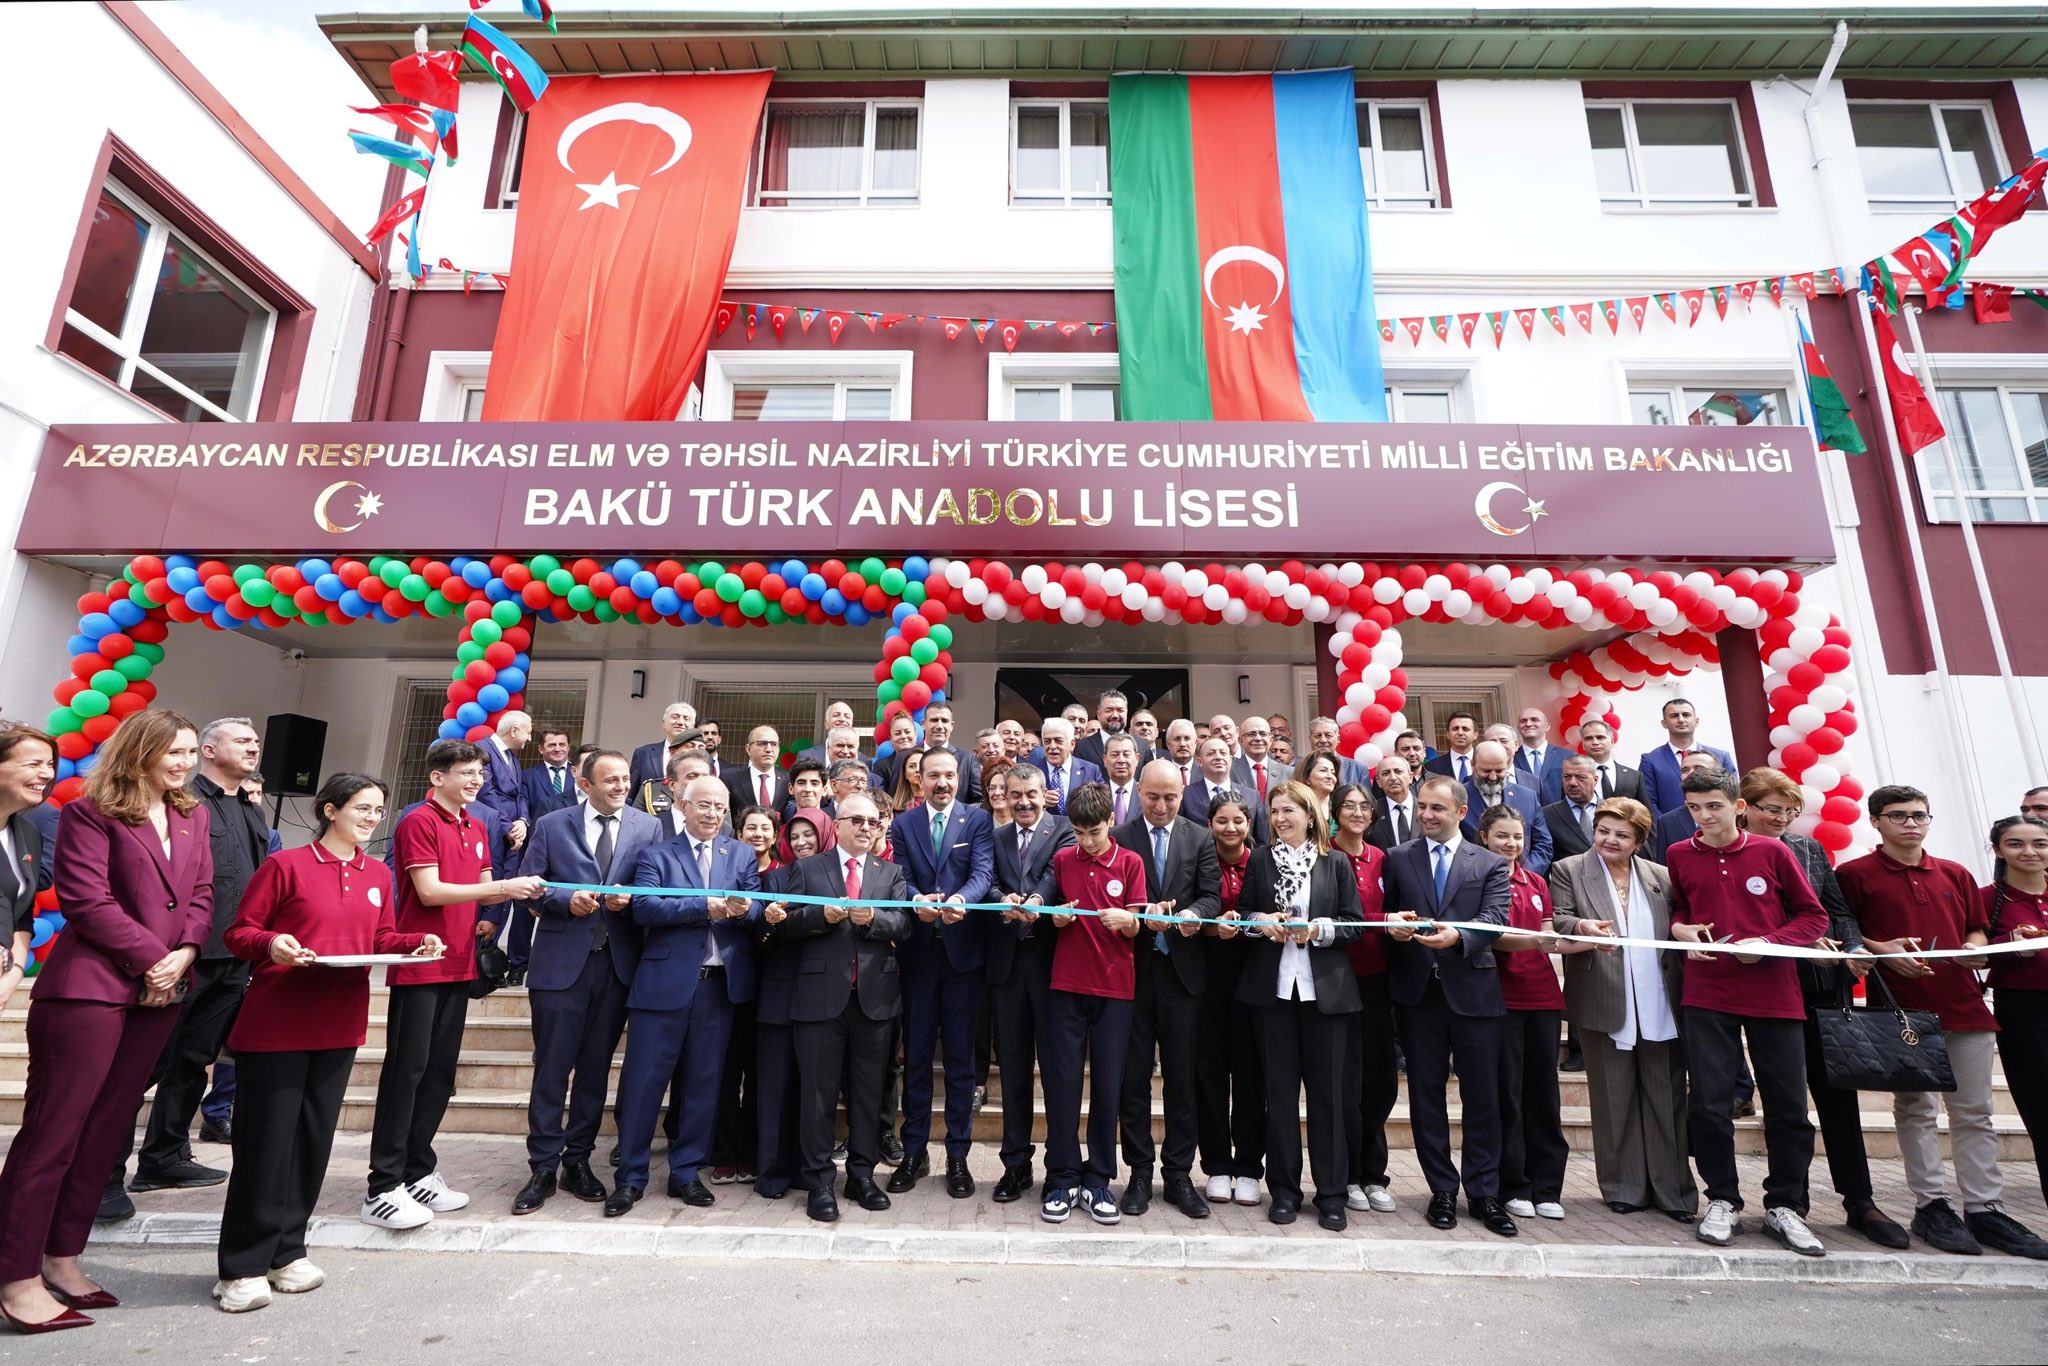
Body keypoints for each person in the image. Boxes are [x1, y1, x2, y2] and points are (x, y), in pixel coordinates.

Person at [0, 710, 211, 1334]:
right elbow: (86, 900)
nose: (184, 762)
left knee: (105, 1133)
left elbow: (200, 895)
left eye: (192, 751)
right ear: (139, 750)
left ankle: (62, 1260)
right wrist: (153, 960)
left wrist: (186, 954)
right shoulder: (91, 813)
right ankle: (15, 1276)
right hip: (89, 991)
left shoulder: (191, 816)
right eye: (173, 750)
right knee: (53, 1135)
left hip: (160, 992)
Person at [211, 775, 444, 1313]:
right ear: (329, 810)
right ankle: (242, 1266)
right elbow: (240, 932)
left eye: (378, 811)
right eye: (362, 808)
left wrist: (416, 943)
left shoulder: (377, 873)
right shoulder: (286, 866)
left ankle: (288, 1251)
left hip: (340, 1023)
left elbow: (380, 939)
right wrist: (275, 944)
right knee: (265, 1146)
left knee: (313, 1144)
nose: (371, 818)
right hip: (277, 1024)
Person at [1837, 786, 2048, 1260]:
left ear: (1929, 820)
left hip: (1966, 1005)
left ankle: (1985, 1209)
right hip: (1902, 1012)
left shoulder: (1955, 872)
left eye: (1918, 816)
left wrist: (1974, 948)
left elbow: (1976, 927)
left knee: (1974, 1113)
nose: (1910, 824)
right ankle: (1932, 1205)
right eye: (1898, 816)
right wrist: (1883, 951)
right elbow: (1845, 932)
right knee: (1916, 1110)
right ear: (1875, 821)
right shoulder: (1854, 874)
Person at [364, 739, 542, 1231]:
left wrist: (497, 900)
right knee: (408, 1071)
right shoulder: (418, 820)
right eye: (465, 772)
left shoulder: (476, 822)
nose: (476, 780)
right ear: (437, 776)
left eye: (479, 773)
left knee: (440, 1073)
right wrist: (504, 889)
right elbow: (430, 890)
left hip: (460, 962)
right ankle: (383, 1185)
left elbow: (483, 875)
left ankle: (418, 1170)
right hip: (421, 962)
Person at [108, 716, 270, 1216]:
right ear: (206, 749)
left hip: (233, 958)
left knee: (192, 1062)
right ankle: (104, 1172)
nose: (253, 748)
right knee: (141, 1065)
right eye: (242, 741)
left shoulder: (250, 807)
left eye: (256, 742)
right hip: (181, 956)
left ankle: (165, 1157)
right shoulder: (185, 801)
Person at [1664, 767, 1829, 1255]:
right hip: (1707, 991)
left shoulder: (1772, 850)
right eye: (1694, 807)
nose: (1704, 816)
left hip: (1774, 992)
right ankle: (1723, 1199)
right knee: (1711, 1103)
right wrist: (1681, 931)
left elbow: (1812, 917)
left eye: (1714, 805)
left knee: (1787, 1106)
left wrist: (1769, 944)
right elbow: (1681, 907)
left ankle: (1786, 1206)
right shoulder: (1678, 854)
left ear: (1738, 806)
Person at [1735, 768, 1901, 1247]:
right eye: (1773, 809)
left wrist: (1852, 949)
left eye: (1790, 811)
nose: (1783, 818)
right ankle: (1791, 1202)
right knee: (1786, 1103)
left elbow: (1837, 911)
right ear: (1745, 807)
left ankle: (1860, 1201)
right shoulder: (1732, 851)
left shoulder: (1808, 849)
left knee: (1837, 1097)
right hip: (1765, 986)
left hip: (1821, 987)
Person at [511, 751, 660, 1216]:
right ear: (584, 782)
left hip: (616, 966)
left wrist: (629, 902)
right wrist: (562, 899)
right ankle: (542, 1166)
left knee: (595, 1071)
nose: (620, 785)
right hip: (560, 965)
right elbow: (527, 885)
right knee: (552, 1069)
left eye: (625, 779)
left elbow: (654, 888)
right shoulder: (553, 824)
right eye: (610, 779)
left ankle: (578, 1160)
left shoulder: (647, 827)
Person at [606, 777, 760, 1216]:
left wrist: (743, 909)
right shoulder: (656, 854)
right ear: (683, 805)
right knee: (642, 1086)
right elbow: (645, 908)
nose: (712, 814)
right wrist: (705, 906)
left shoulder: (741, 854)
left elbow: (752, 908)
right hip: (663, 988)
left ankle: (686, 1173)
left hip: (719, 989)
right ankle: (631, 1178)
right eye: (704, 805)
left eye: (720, 807)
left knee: (702, 1086)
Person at [1547, 798, 1695, 1221]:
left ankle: (1674, 1192)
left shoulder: (1661, 876)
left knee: (1667, 1098)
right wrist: (1581, 928)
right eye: (1604, 830)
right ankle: (1623, 1186)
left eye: (1621, 834)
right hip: (1603, 995)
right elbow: (1558, 918)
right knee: (1614, 1100)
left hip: (1660, 999)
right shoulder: (1569, 869)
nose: (1609, 840)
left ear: (1639, 841)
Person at [1382, 775, 1517, 1237]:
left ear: (1461, 812)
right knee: (1426, 1097)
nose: (1426, 815)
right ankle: (1441, 1188)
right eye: (1421, 807)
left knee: (1482, 1096)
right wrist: (1393, 927)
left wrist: (1459, 935)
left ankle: (1483, 1193)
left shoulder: (1491, 863)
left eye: (1436, 808)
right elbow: (1389, 915)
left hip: (1473, 992)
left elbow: (1495, 919)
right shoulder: (1399, 858)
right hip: (1418, 996)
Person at [1236, 781, 1364, 1230]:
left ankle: (1331, 1194)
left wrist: (1321, 930)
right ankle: (1285, 1191)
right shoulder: (1259, 859)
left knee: (1328, 1097)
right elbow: (1244, 913)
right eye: (1274, 811)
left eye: (1289, 810)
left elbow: (1355, 923)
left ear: (1310, 815)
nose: (1281, 818)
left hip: (1324, 993)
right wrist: (1261, 922)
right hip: (1272, 993)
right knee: (1279, 1097)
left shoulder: (1337, 863)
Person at [780, 793, 911, 1222]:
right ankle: (819, 1182)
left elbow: (903, 924)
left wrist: (871, 918)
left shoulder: (890, 873)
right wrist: (823, 919)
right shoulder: (807, 868)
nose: (866, 828)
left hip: (875, 1000)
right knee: (817, 1095)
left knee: (869, 1095)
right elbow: (789, 926)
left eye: (873, 822)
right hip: (820, 999)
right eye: (857, 820)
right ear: (837, 824)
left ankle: (861, 1175)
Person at [1025, 782, 1146, 1225]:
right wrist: (1056, 916)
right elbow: (1050, 903)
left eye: (1094, 831)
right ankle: (1060, 1177)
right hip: (1067, 986)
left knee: (1108, 1086)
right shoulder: (1062, 858)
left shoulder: (1130, 862)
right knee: (1061, 1084)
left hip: (1115, 988)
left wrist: (1130, 922)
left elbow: (1139, 927)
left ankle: (1098, 1180)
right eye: (1078, 832)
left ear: (1110, 822)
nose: (1087, 841)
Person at [1114, 759, 1221, 1220]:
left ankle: (1179, 1173)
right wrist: (1139, 917)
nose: (1161, 806)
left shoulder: (1199, 836)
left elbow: (1211, 894)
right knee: (1131, 1079)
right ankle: (1139, 1172)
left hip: (1183, 975)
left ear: (1183, 793)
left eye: (1170, 797)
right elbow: (1112, 901)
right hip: (1132, 973)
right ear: (1139, 793)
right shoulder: (1120, 838)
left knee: (1182, 1079)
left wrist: (1191, 917)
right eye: (1153, 797)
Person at [888, 748, 995, 1198]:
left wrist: (960, 900)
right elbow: (902, 875)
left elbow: (983, 871)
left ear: (958, 778)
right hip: (918, 956)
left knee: (959, 1062)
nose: (942, 783)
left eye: (949, 775)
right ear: (920, 780)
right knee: (914, 1061)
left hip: (962, 957)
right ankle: (913, 1151)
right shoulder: (903, 822)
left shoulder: (977, 820)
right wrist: (916, 900)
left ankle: (957, 1155)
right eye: (934, 776)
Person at [1478, 804, 1570, 1223]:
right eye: (1502, 836)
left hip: (1544, 1000)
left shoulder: (1536, 881)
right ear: (1484, 838)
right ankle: (1514, 1184)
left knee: (1544, 1095)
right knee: (1508, 1095)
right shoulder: (1480, 879)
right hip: (1503, 1000)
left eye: (1517, 837)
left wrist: (1590, 937)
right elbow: (1496, 938)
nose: (1511, 844)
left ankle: (1547, 1185)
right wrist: (1536, 942)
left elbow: (1548, 936)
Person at [986, 764, 1074, 1203]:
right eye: (1014, 794)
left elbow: (1059, 874)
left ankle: (1060, 1170)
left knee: (1058, 1072)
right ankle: (1015, 1166)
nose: (1022, 802)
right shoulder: (996, 835)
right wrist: (1003, 899)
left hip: (1051, 965)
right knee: (1014, 1071)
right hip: (1007, 967)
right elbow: (986, 882)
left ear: (1045, 793)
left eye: (1031, 794)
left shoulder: (1063, 830)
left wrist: (1037, 899)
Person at [749, 808, 825, 1202]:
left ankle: (805, 1171)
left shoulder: (834, 878)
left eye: (808, 835)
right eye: (794, 836)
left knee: (811, 1091)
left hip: (822, 998)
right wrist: (770, 923)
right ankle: (772, 1173)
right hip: (779, 996)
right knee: (774, 1089)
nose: (801, 843)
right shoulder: (774, 879)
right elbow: (757, 941)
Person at [1328, 784, 1396, 1217]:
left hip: (1378, 981)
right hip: (1337, 980)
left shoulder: (1384, 859)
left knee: (1381, 1083)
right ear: (1334, 813)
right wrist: (1382, 920)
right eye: (1348, 805)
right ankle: (1349, 1174)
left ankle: (1375, 1173)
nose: (1356, 811)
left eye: (1363, 806)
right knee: (1344, 1082)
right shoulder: (1326, 857)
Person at [1198, 794, 1265, 1208]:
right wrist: (1211, 929)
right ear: (1210, 823)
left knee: (1251, 1077)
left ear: (1248, 823)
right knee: (1208, 1075)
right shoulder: (1201, 860)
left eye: (1238, 820)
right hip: (1207, 980)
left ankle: (1249, 1167)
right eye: (1221, 820)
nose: (1230, 828)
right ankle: (1217, 1166)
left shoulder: (1262, 862)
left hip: (1253, 980)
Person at [1984, 815, 2048, 1203]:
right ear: (1998, 850)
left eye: (2039, 843)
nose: (2029, 852)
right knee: (2042, 1112)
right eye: (2015, 843)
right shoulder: (1984, 898)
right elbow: (1969, 952)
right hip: (2024, 1012)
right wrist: (2009, 945)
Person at [0, 727, 54, 1016]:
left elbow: (22, 915)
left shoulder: (28, 832)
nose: (46, 774)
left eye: (49, 764)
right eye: (34, 764)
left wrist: (14, 974)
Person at [1463, 741, 1554, 877]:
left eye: (1499, 771)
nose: (1493, 777)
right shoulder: (1457, 797)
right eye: (1486, 771)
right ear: (1472, 765)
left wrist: (1522, 876)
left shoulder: (1527, 797)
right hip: (1474, 881)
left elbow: (1543, 844)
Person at [1637, 698, 1736, 816]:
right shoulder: (1650, 761)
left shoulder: (1721, 757)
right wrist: (1667, 827)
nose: (1681, 720)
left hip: (1716, 826)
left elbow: (1733, 794)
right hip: (1672, 831)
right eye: (1674, 716)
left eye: (1686, 715)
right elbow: (1648, 802)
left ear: (1696, 721)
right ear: (1664, 723)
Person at [1182, 735, 1270, 842]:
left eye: (1223, 753)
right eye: (1211, 753)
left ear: (1230, 759)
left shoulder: (1251, 795)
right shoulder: (1185, 795)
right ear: (1199, 761)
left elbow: (1262, 840)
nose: (1218, 757)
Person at [1647, 752, 1724, 862]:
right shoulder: (1667, 822)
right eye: (1685, 770)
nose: (1690, 774)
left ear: (1718, 773)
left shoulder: (1733, 812)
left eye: (1699, 768)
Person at [1028, 717, 1101, 816]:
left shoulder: (1091, 771)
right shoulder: (1031, 773)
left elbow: (1102, 806)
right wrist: (1039, 802)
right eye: (1047, 741)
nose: (1052, 746)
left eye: (1058, 741)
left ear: (1072, 744)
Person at [631, 702, 700, 795]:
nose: (680, 722)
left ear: (693, 727)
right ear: (663, 724)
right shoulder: (644, 753)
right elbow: (631, 793)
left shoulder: (702, 757)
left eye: (686, 719)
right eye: (675, 717)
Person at [1544, 755, 1603, 862]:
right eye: (1567, 777)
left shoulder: (1613, 810)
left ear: (1595, 780)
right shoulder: (1547, 814)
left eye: (1580, 777)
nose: (1572, 783)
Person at [1075, 688, 1149, 771]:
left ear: (1126, 713)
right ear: (1098, 714)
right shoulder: (1082, 747)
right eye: (1109, 710)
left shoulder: (1142, 746)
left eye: (1120, 710)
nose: (1115, 715)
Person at [725, 726, 789, 818]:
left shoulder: (788, 781)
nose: (769, 749)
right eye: (762, 743)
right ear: (748, 749)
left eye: (774, 744)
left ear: (778, 749)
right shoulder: (730, 780)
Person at [1575, 719, 1643, 803]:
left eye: (1600, 737)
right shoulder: (1572, 778)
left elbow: (1647, 812)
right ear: (1583, 745)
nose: (1595, 742)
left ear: (1612, 741)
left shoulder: (1634, 776)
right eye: (1589, 738)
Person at [1513, 707, 1569, 805]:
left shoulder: (1566, 756)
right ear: (1518, 728)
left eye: (1534, 720)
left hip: (1558, 816)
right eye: (1523, 721)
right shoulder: (1511, 759)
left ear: (1547, 726)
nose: (1528, 724)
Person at [522, 728, 582, 818]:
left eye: (562, 745)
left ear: (568, 748)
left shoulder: (581, 774)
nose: (557, 749)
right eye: (552, 745)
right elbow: (523, 806)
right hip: (541, 830)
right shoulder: (528, 776)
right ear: (541, 749)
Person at [1369, 756, 1419, 851]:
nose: (1393, 777)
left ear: (1410, 777)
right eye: (1386, 773)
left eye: (1398, 772)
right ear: (1378, 782)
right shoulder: (1370, 812)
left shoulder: (1427, 808)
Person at [1237, 716, 1286, 806]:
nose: (1258, 738)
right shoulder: (1230, 770)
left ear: (1271, 740)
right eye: (1251, 734)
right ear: (1240, 740)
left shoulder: (1288, 772)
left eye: (1263, 734)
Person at [794, 701, 857, 769]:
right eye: (836, 715)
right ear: (826, 724)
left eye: (847, 716)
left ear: (851, 725)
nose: (842, 719)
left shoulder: (864, 760)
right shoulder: (805, 756)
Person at [1423, 711, 1479, 786]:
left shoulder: (1487, 763)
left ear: (1475, 734)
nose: (1460, 733)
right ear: (1447, 734)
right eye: (1455, 729)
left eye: (1465, 729)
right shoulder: (1432, 767)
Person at [1100, 734, 1143, 829]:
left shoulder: (1147, 795)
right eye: (1115, 755)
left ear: (1137, 759)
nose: (1121, 760)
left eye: (1126, 755)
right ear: (1105, 760)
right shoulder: (1095, 795)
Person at [1293, 752, 1342, 829]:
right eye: (1323, 770)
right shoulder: (1296, 809)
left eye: (1333, 773)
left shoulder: (1341, 808)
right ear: (1306, 778)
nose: (1330, 776)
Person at [782, 758, 829, 822]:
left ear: (824, 790)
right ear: (791, 788)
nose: (808, 789)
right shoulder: (783, 831)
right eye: (801, 783)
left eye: (814, 784)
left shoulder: (835, 830)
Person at [1162, 718, 1198, 786]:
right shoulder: (1160, 773)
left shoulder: (1206, 772)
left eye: (1187, 739)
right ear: (1168, 744)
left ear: (1195, 743)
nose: (1182, 744)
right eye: (1177, 739)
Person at [890, 746, 926, 813]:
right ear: (905, 773)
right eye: (912, 766)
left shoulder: (939, 803)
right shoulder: (890, 807)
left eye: (922, 765)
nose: (918, 770)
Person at [981, 762, 1011, 827]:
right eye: (992, 788)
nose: (997, 793)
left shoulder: (1023, 823)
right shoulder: (979, 822)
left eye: (1003, 788)